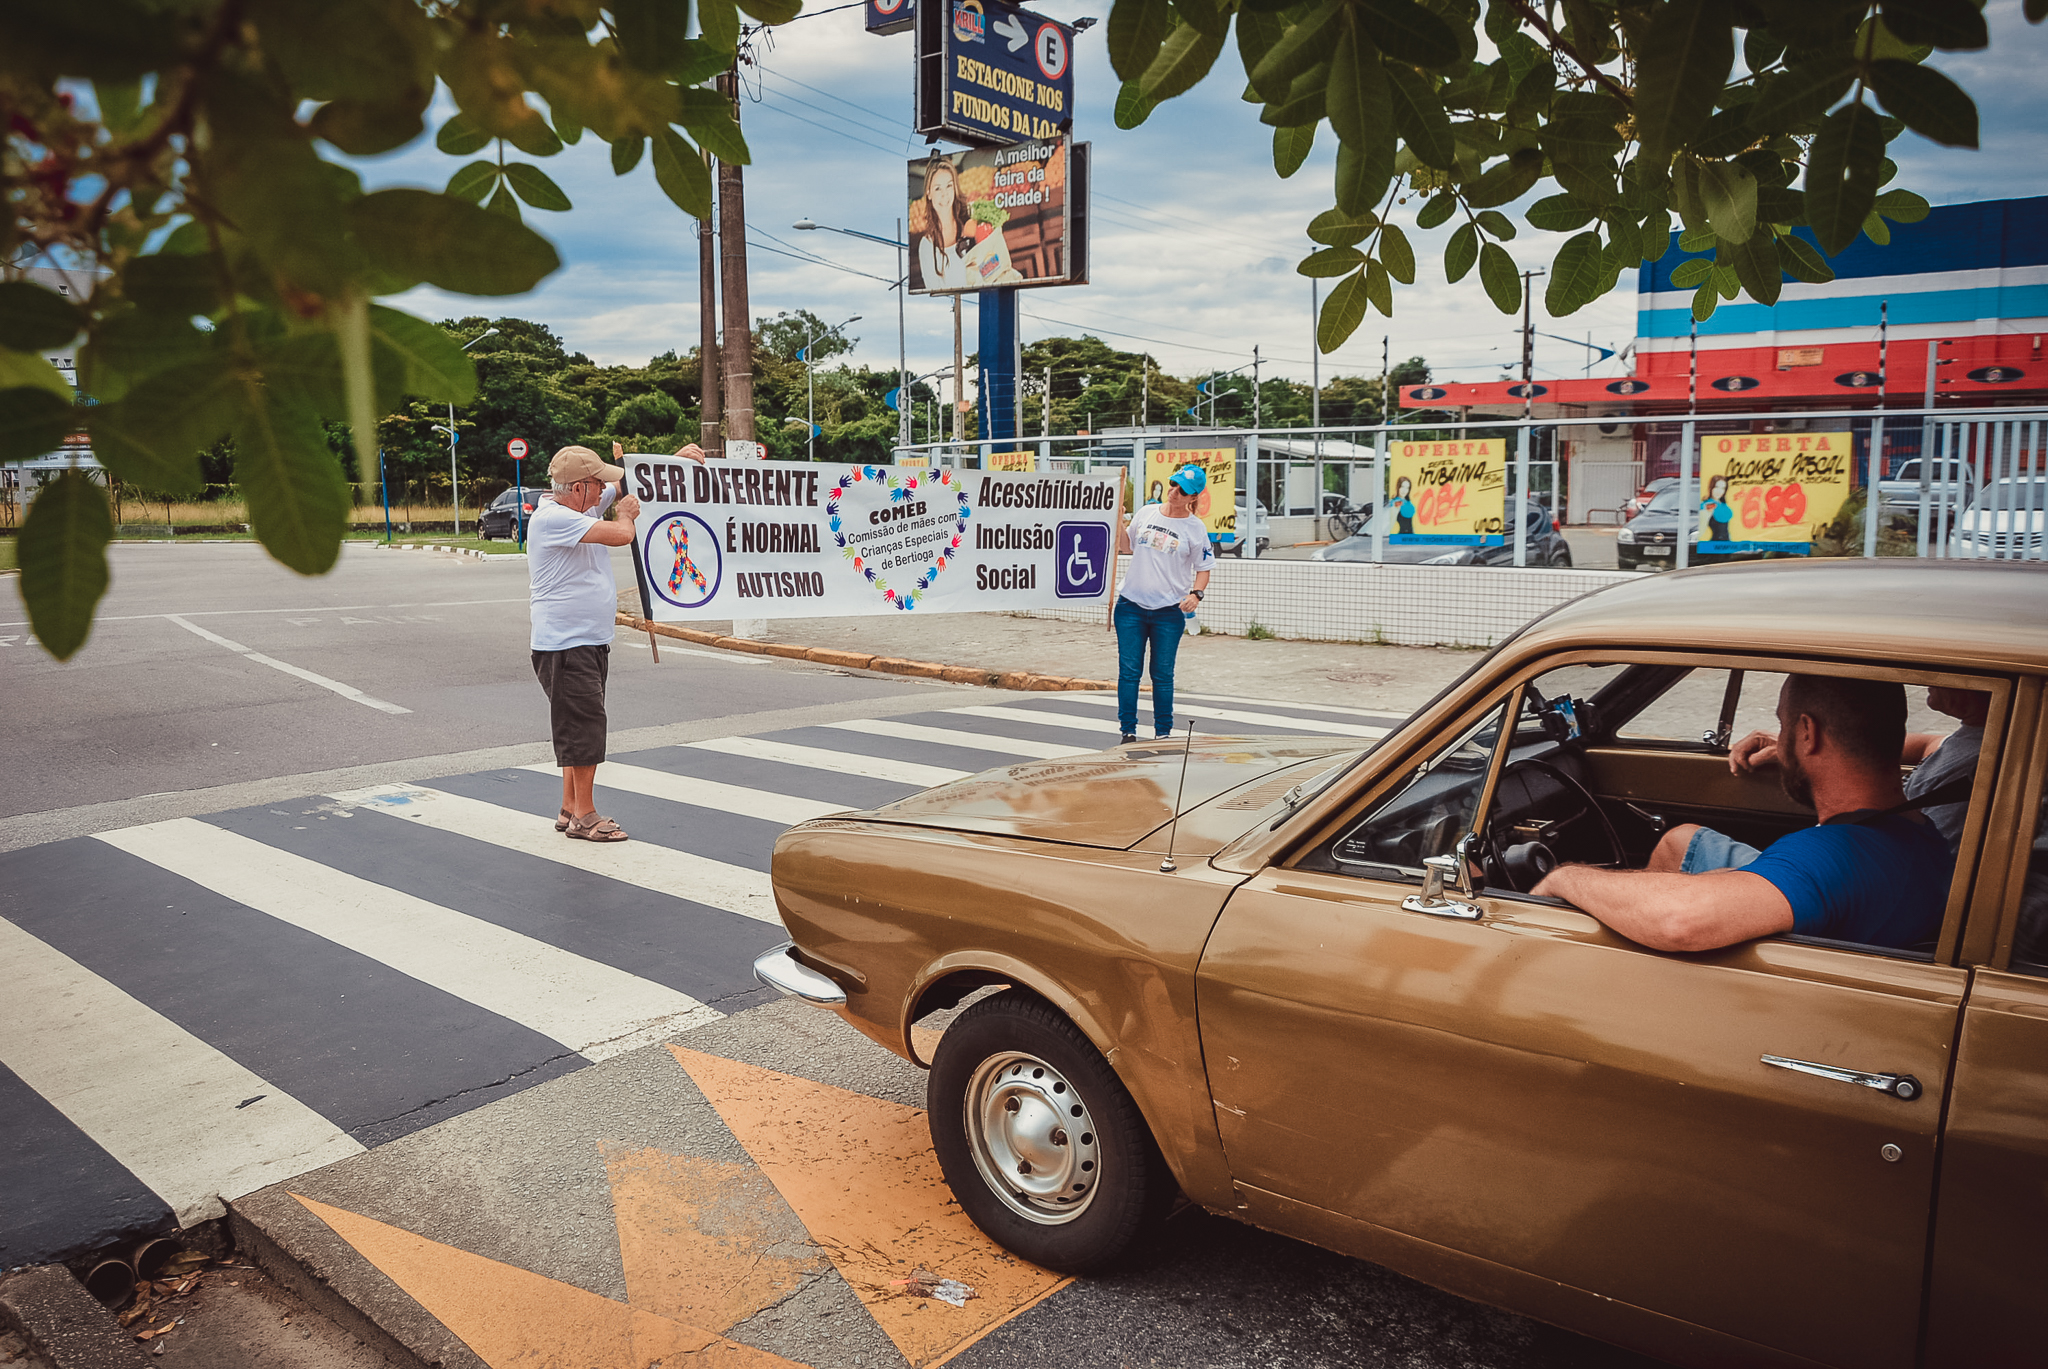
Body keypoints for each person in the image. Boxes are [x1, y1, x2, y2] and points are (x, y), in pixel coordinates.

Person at [1532, 675, 1954, 952]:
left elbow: (1680, 919)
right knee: (1683, 841)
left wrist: (1563, 877)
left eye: (1785, 727)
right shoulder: (1919, 834)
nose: (1782, 737)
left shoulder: (1834, 856)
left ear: (1808, 733)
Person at [528, 441, 702, 842]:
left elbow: (629, 486)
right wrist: (624, 516)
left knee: (576, 725)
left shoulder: (577, 505)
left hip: (582, 640)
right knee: (585, 727)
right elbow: (623, 533)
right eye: (597, 484)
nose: (603, 491)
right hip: (566, 644)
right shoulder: (553, 518)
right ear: (578, 487)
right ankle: (585, 816)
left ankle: (569, 807)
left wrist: (670, 462)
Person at [1668, 684, 1988, 873]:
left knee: (1678, 843)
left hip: (1859, 874)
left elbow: (1909, 874)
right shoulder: (1981, 737)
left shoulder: (1984, 763)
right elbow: (1931, 745)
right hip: (1869, 868)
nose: (1928, 674)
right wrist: (1805, 744)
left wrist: (1811, 742)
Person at [1114, 464, 1214, 745]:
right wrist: (1120, 521)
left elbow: (1204, 567)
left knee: (1162, 674)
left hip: (1169, 612)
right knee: (1129, 671)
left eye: (1183, 491)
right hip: (1130, 606)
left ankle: (1163, 733)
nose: (1174, 492)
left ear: (1193, 497)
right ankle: (1128, 731)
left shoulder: (1195, 528)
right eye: (1173, 484)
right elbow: (1125, 546)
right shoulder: (1147, 512)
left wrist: (1196, 594)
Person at [916, 156, 972, 291]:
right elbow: (933, 289)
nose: (944, 194)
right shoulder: (926, 247)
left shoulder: (970, 222)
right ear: (928, 194)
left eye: (948, 186)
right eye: (937, 189)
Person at [1701, 474, 1732, 542]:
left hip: (1727, 545)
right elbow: (1702, 528)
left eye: (1723, 488)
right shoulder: (1708, 504)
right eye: (1716, 487)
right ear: (1711, 487)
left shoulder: (1723, 504)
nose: (1719, 491)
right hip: (1714, 546)